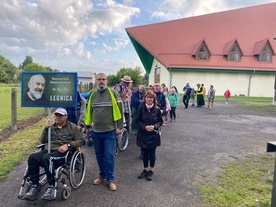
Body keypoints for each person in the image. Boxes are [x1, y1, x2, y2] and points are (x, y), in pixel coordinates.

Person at [23, 108, 83, 201]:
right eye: (56, 115)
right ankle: (35, 185)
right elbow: (42, 141)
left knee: (48, 158)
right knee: (32, 157)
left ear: (66, 116)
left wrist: (68, 145)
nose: (57, 117)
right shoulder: (51, 127)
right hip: (50, 150)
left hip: (64, 153)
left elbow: (80, 141)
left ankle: (51, 186)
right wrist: (46, 128)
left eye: (60, 115)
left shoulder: (73, 127)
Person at [85, 73, 123, 191]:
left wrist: (119, 127)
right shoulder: (92, 94)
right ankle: (102, 175)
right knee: (99, 155)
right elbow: (88, 111)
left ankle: (110, 179)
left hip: (110, 132)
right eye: (99, 79)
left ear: (107, 81)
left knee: (109, 156)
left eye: (103, 79)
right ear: (96, 81)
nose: (101, 81)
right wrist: (87, 126)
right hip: (96, 132)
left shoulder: (114, 93)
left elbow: (120, 110)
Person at [136, 90, 163, 181]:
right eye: (147, 97)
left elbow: (160, 121)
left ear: (154, 99)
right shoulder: (140, 108)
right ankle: (145, 169)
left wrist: (154, 126)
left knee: (152, 153)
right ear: (145, 98)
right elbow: (138, 121)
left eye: (151, 97)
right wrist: (145, 127)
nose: (149, 99)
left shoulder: (157, 109)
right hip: (143, 134)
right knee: (144, 153)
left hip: (153, 135)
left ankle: (151, 170)